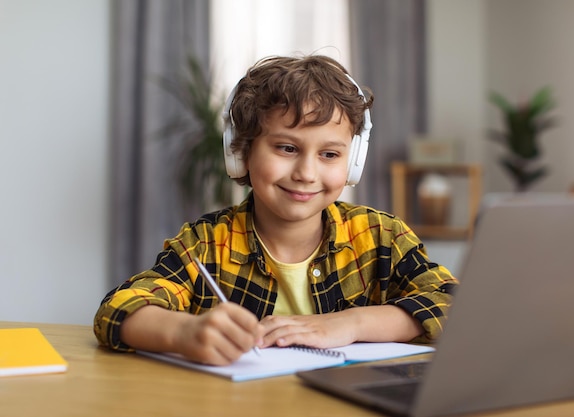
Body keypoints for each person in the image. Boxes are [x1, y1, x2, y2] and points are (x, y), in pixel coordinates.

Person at [94, 54, 458, 366]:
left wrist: (351, 324)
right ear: (241, 152)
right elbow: (118, 309)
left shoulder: (381, 237)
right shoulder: (205, 243)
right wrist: (184, 332)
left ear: (354, 162)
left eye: (329, 154)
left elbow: (454, 303)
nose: (306, 173)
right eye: (286, 148)